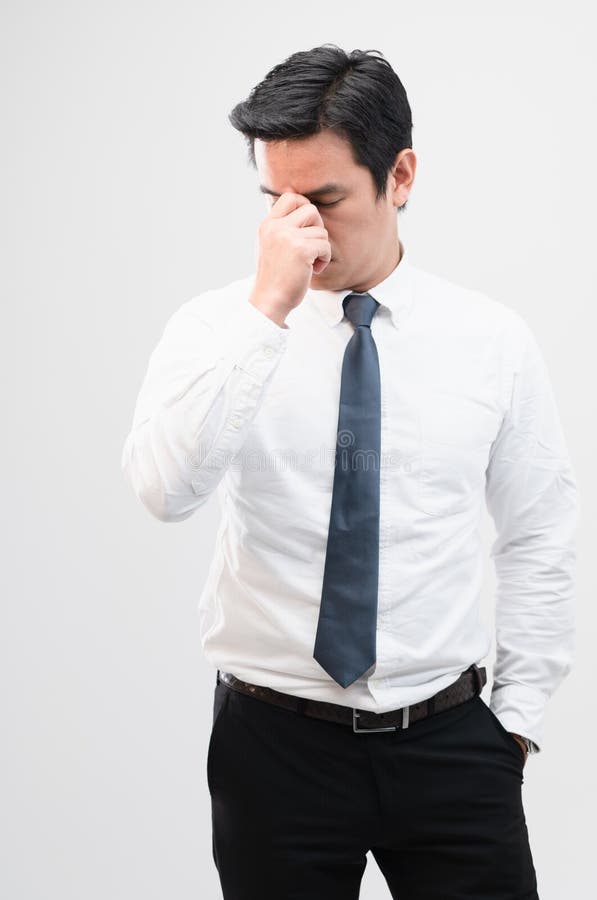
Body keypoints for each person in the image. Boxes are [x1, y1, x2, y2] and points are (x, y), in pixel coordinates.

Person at [121, 44, 579, 900]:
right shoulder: (217, 327)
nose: (296, 229)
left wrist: (511, 727)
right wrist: (267, 314)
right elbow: (163, 491)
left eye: (324, 200)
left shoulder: (491, 342)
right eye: (275, 201)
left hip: (449, 744)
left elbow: (537, 535)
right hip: (274, 748)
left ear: (398, 176)